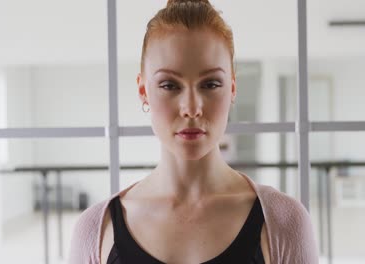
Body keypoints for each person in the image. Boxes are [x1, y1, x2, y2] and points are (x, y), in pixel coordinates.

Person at [69, 0, 318, 263]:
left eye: (210, 84)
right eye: (169, 85)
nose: (191, 108)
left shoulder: (285, 222)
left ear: (232, 88)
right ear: (143, 91)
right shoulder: (96, 230)